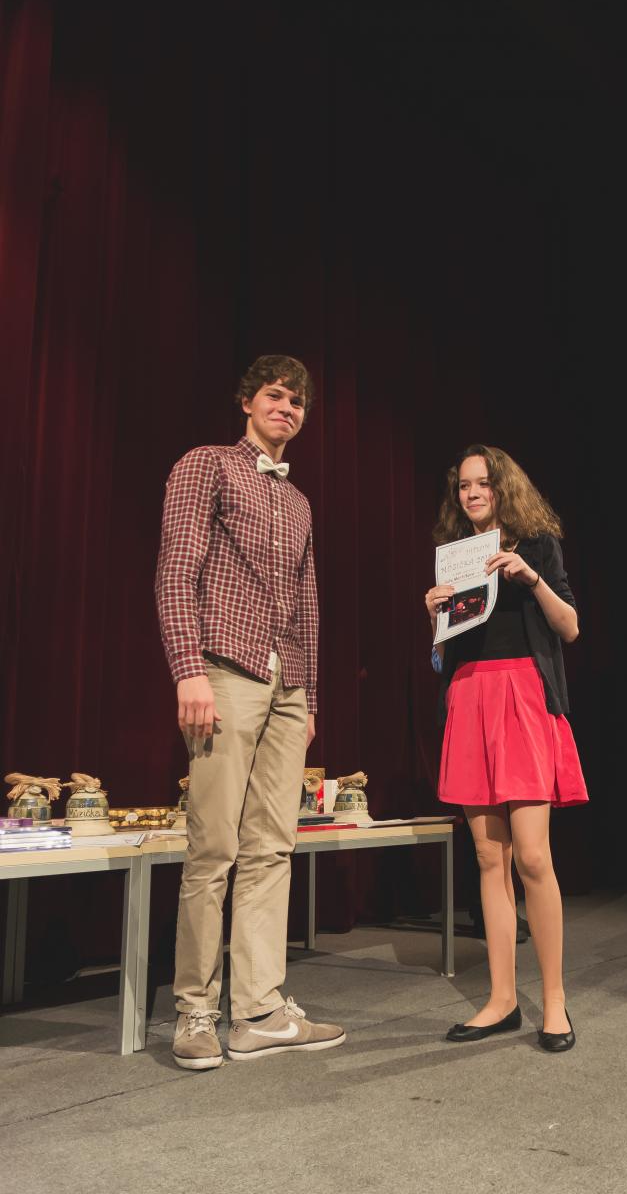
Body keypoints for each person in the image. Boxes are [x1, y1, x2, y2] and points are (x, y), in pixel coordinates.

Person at [155, 354, 345, 1070]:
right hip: (225, 670)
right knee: (214, 847)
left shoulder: (299, 502)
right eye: (275, 394)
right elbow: (176, 570)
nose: (286, 408)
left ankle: (259, 1010)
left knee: (272, 847)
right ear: (247, 400)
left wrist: (310, 697)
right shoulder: (206, 464)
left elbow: (309, 604)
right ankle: (195, 1009)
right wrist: (187, 669)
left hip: (287, 684)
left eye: (298, 402)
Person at [425, 444, 588, 1053]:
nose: (472, 493)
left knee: (533, 858)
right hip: (470, 697)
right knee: (488, 860)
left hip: (522, 694)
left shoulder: (536, 545)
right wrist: (435, 616)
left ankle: (555, 1002)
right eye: (463, 485)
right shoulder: (456, 555)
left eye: (483, 483)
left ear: (503, 487)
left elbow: (569, 626)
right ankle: (501, 999)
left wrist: (530, 576)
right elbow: (443, 655)